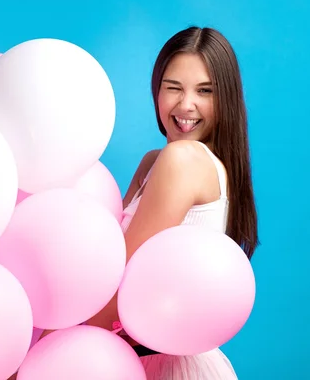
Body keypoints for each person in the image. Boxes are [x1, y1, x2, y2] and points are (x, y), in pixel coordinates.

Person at [84, 26, 259, 379]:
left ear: (226, 98)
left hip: (163, 363)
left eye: (204, 91)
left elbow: (119, 286)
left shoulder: (184, 161)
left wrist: (48, 348)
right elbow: (106, 259)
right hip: (126, 356)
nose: (185, 105)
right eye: (173, 88)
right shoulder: (155, 161)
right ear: (156, 91)